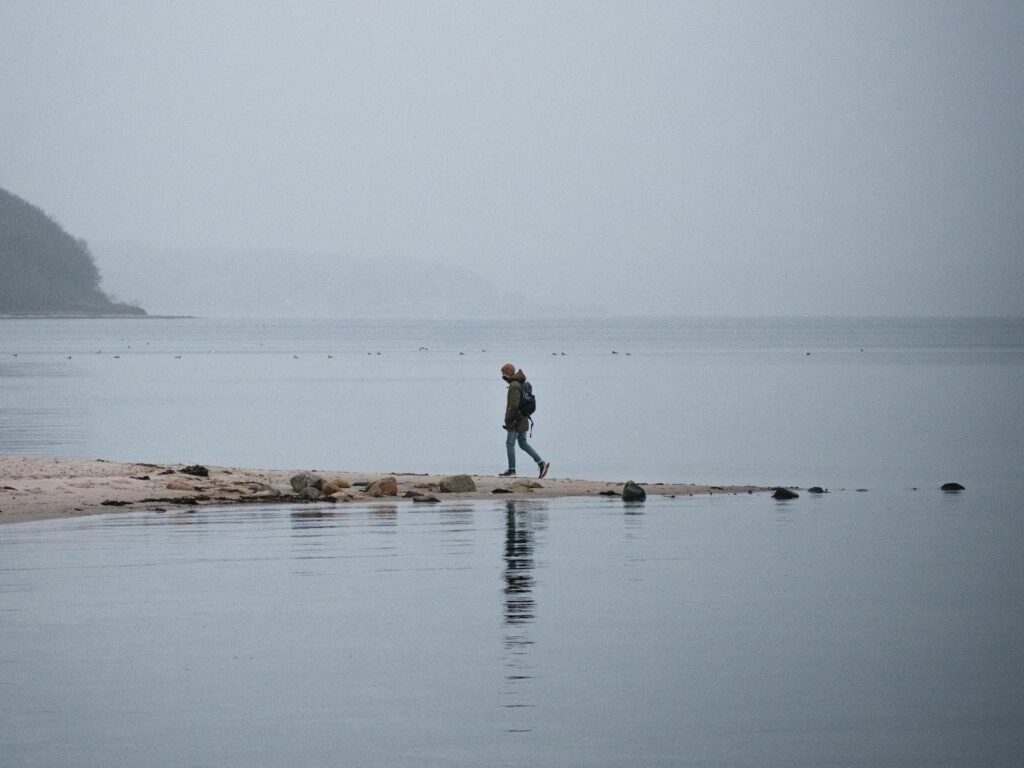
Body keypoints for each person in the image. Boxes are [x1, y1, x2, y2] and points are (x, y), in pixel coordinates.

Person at [500, 363, 550, 478]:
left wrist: (508, 420)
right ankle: (541, 463)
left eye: (503, 373)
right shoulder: (520, 382)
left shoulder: (514, 385)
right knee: (522, 443)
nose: (502, 376)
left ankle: (512, 470)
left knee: (509, 443)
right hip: (523, 417)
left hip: (515, 419)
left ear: (507, 373)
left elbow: (513, 405)